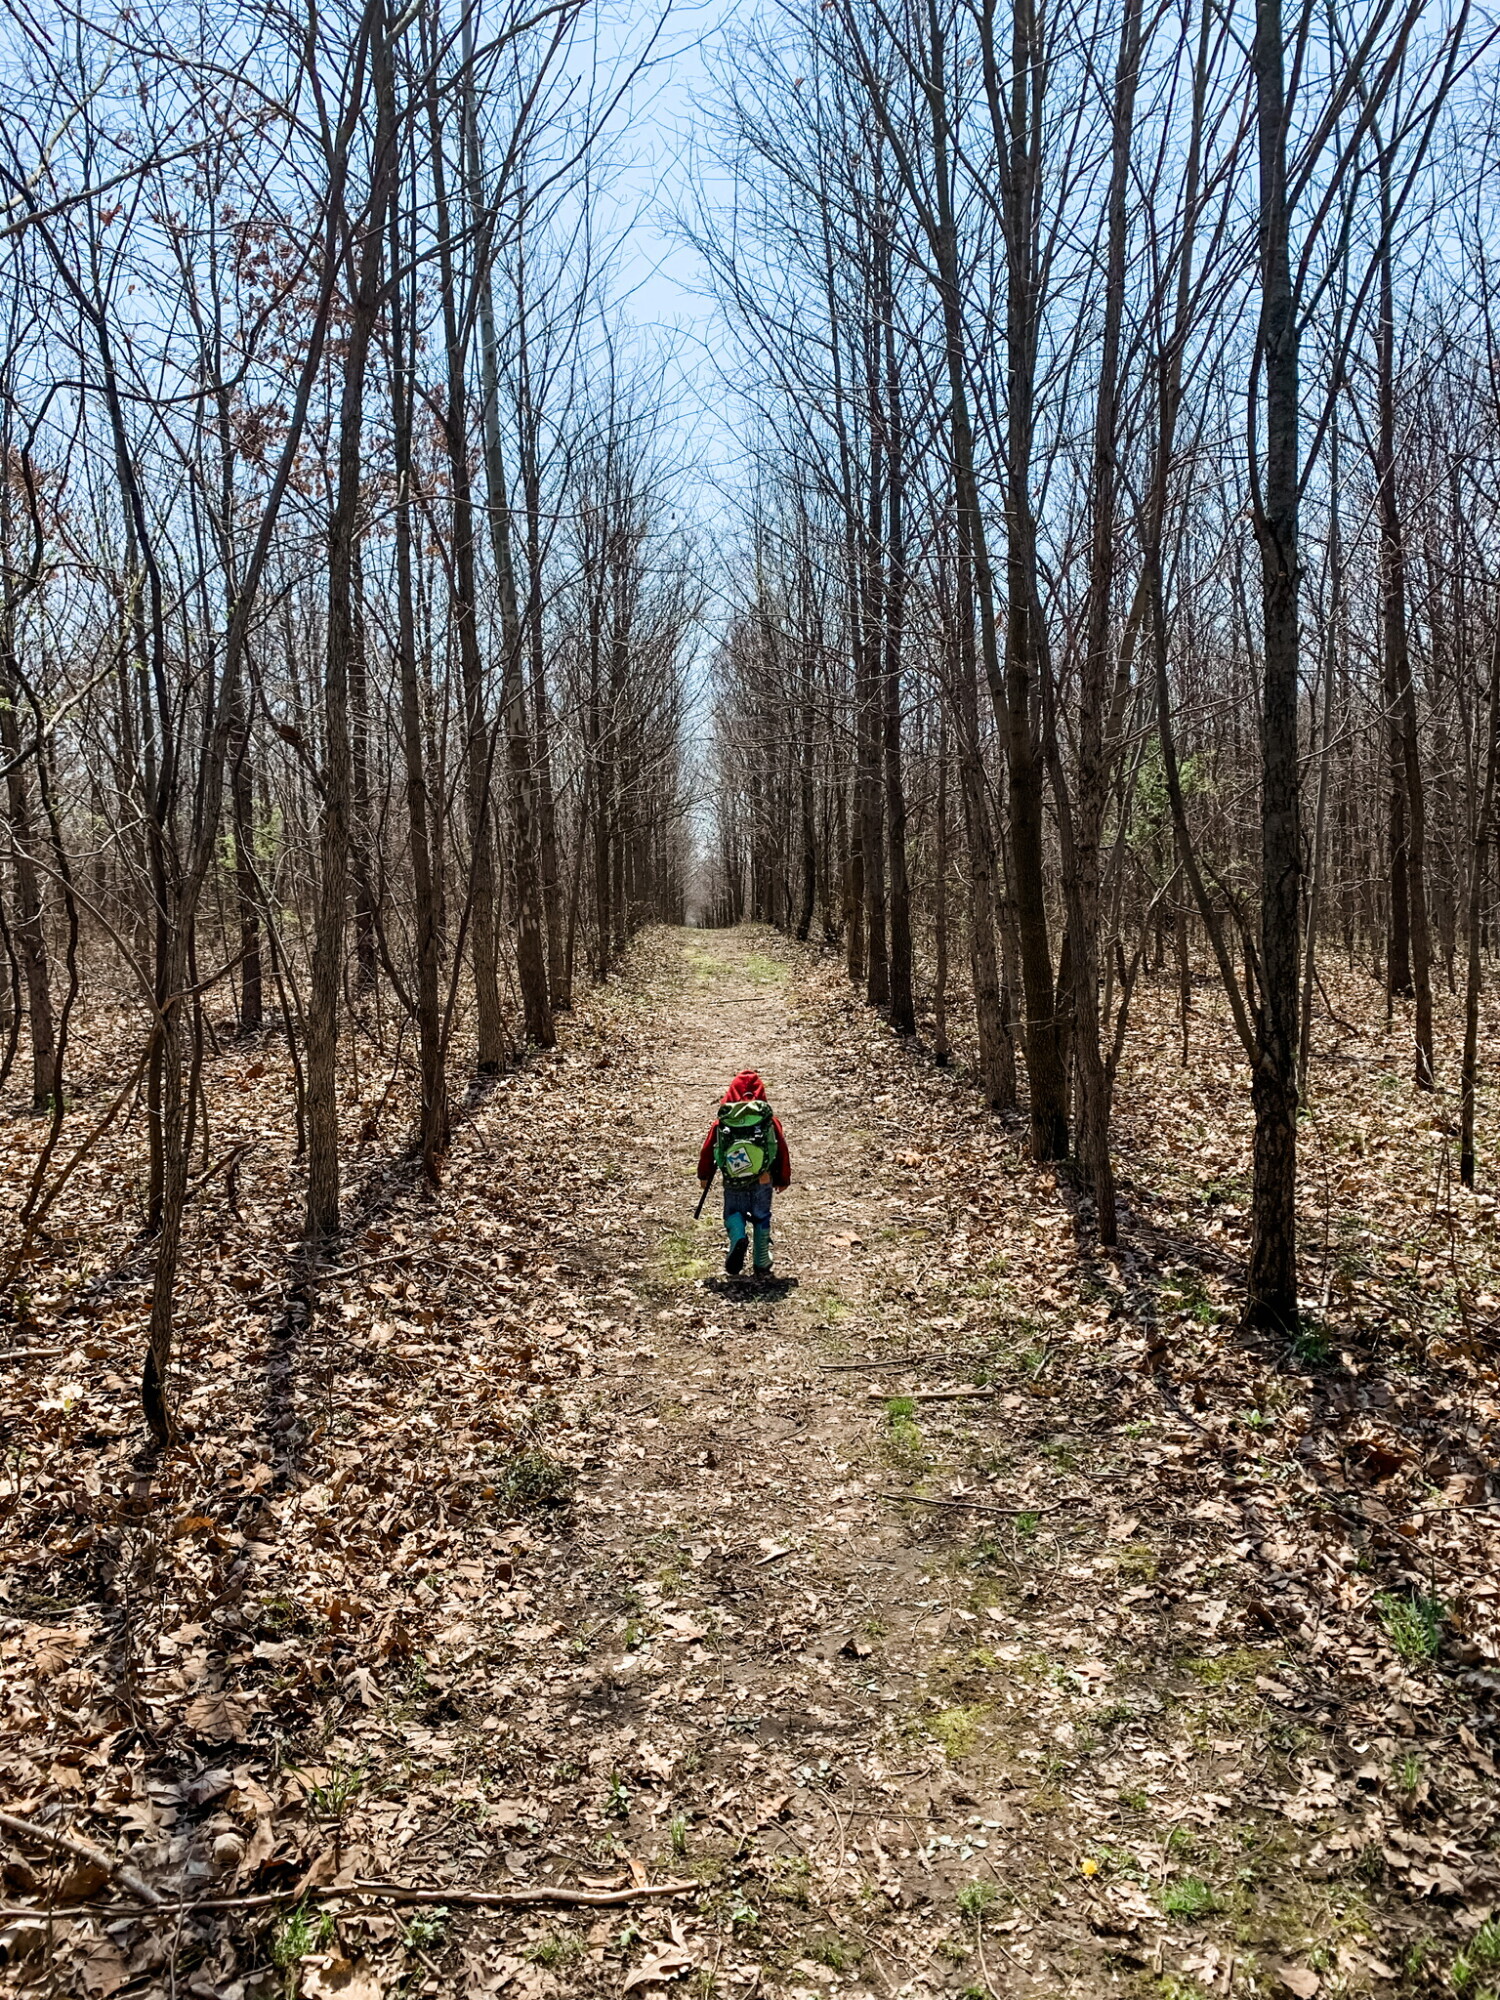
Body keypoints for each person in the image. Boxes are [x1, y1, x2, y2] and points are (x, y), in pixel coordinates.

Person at [697, 1069, 792, 1277]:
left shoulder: (724, 1122)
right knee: (761, 1216)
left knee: (733, 1213)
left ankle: (738, 1236)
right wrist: (783, 1178)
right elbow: (781, 1149)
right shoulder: (768, 1120)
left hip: (733, 1180)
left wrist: (704, 1175)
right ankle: (761, 1260)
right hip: (763, 1179)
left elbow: (708, 1149)